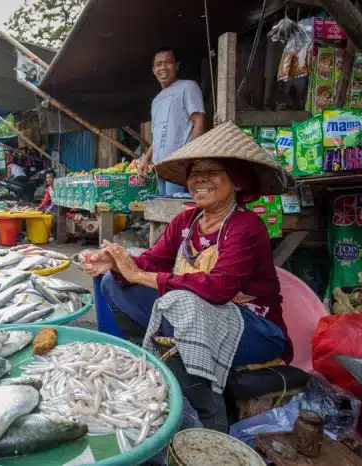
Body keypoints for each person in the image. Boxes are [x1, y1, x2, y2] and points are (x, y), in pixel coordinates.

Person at [82, 122, 293, 432]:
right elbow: (153, 261)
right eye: (195, 172)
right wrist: (115, 262)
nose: (200, 179)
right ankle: (147, 363)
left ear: (237, 181)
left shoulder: (246, 226)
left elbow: (219, 288)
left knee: (180, 304)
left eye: (213, 171)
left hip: (257, 330)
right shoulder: (186, 220)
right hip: (198, 317)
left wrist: (141, 275)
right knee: (114, 284)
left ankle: (211, 421)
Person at [139, 46, 206, 196]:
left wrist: (190, 157)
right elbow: (157, 137)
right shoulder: (156, 101)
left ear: (176, 66)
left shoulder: (188, 87)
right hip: (160, 167)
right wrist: (146, 160)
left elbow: (199, 120)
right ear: (153, 69)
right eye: (158, 64)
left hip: (179, 165)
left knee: (178, 210)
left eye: (168, 62)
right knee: (166, 211)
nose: (163, 67)